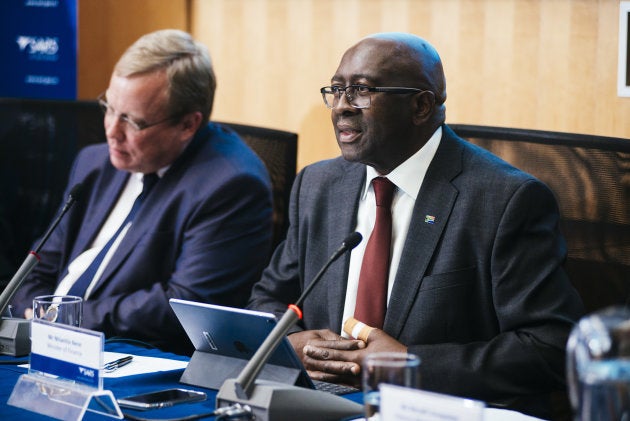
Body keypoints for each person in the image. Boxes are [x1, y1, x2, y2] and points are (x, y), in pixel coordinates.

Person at [248, 32, 584, 418]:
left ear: (421, 106)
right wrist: (288, 341)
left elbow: (552, 347)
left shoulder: (505, 200)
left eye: (360, 90)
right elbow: (267, 300)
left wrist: (410, 364)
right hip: (323, 403)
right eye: (336, 89)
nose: (341, 106)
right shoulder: (318, 185)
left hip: (434, 408)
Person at [11, 29, 273, 355]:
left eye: (132, 121)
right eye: (108, 107)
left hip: (140, 361)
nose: (111, 131)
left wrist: (63, 319)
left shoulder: (231, 186)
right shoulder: (94, 164)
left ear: (188, 125)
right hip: (48, 345)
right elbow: (37, 269)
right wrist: (37, 314)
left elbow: (182, 306)